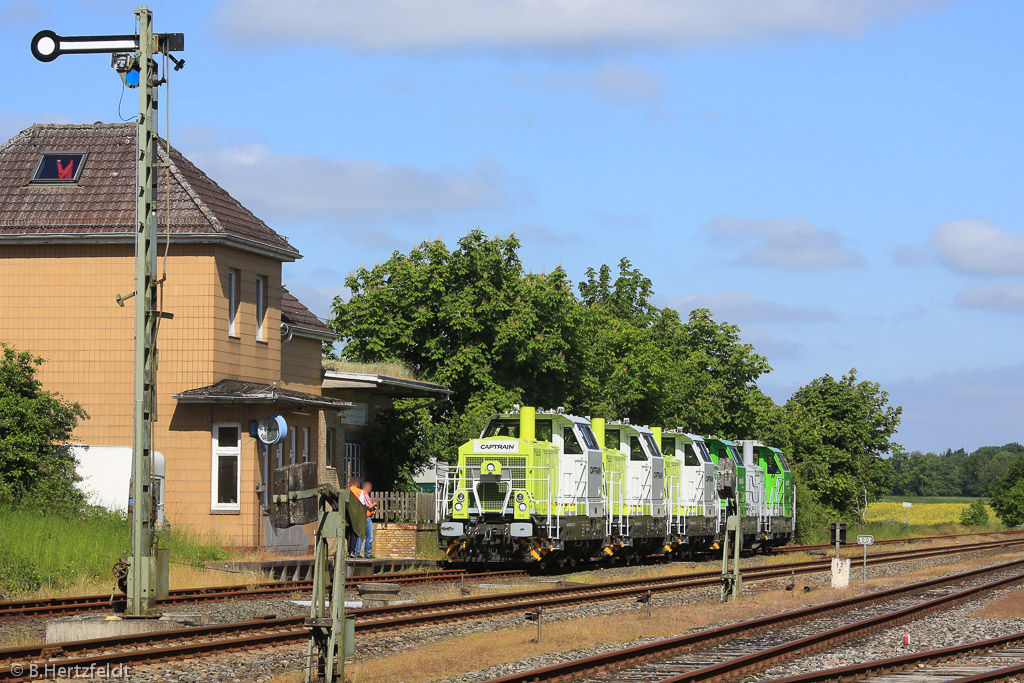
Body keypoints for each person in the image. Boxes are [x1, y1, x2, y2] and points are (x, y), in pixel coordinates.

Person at [347, 476, 365, 557]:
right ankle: (353, 551)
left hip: (348, 515)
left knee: (349, 533)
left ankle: (349, 550)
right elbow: (362, 504)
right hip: (356, 515)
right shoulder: (359, 492)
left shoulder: (347, 491)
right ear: (357, 483)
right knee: (355, 532)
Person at [360, 481, 377, 558]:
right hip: (366, 518)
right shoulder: (364, 494)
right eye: (370, 487)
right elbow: (369, 506)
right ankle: (367, 554)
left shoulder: (363, 494)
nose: (371, 489)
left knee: (361, 536)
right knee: (369, 536)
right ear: (366, 487)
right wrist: (374, 504)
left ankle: (357, 552)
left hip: (364, 517)